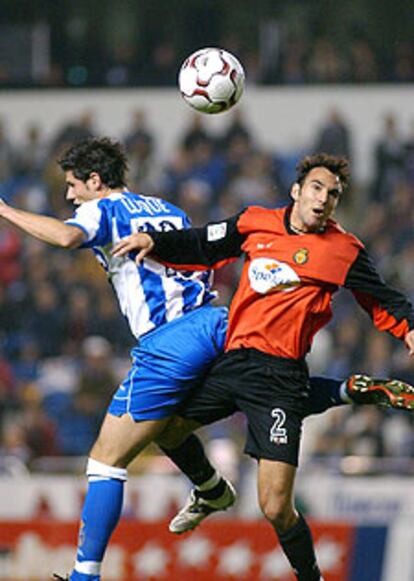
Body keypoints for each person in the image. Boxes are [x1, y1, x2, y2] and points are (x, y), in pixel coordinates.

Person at [1, 141, 412, 581]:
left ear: (96, 181)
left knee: (107, 458)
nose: (70, 197)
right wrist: (156, 242)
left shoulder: (105, 210)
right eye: (316, 188)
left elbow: (66, 236)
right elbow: (200, 245)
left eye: (72, 187)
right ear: (296, 191)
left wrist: (5, 210)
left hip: (176, 343)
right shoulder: (171, 209)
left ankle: (87, 574)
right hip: (221, 328)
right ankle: (217, 484)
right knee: (176, 423)